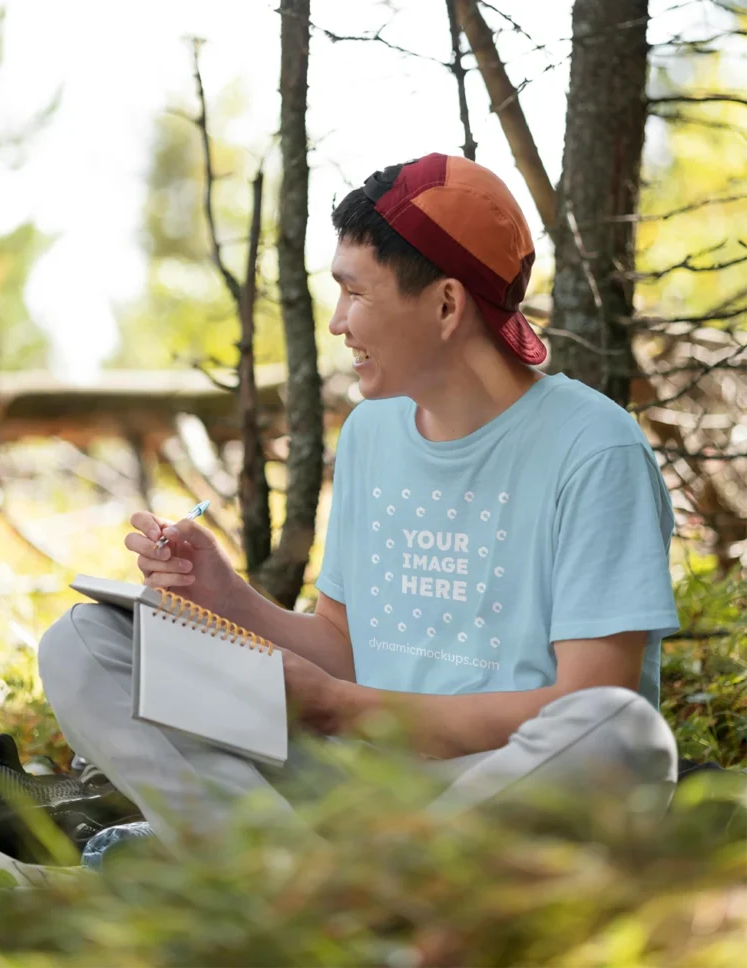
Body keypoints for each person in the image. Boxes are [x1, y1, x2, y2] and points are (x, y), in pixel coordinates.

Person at [39, 153, 680, 838]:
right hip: (351, 776)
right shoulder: (374, 430)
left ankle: (298, 878)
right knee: (84, 643)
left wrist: (346, 710)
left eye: (356, 293)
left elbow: (591, 699)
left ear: (446, 304)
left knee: (619, 731)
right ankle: (289, 870)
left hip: (499, 785)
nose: (338, 322)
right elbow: (347, 646)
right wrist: (226, 598)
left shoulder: (593, 449)